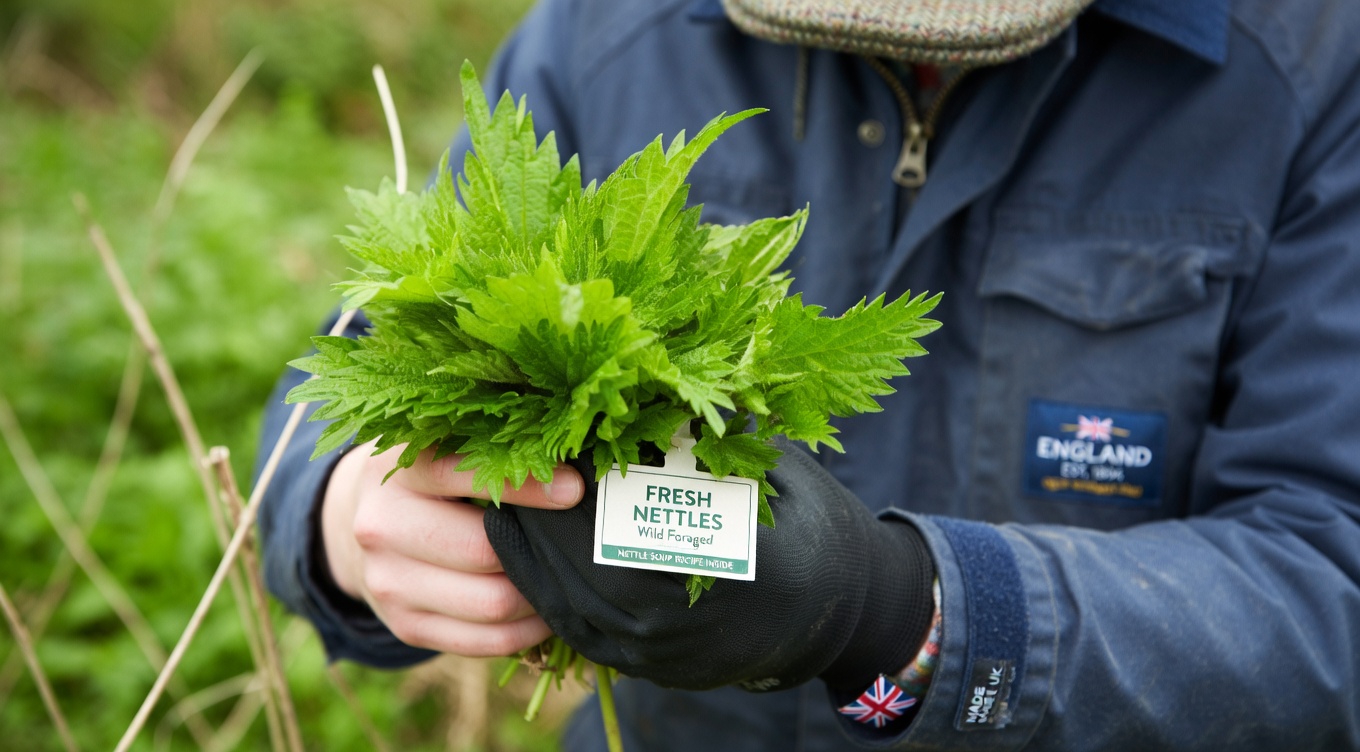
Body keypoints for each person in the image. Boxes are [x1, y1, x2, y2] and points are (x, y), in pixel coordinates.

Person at [256, 0, 1360, 748]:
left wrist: (904, 614)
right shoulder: (609, 34)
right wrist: (352, 504)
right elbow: (359, 362)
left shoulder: (1314, 64)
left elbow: (1332, 578)